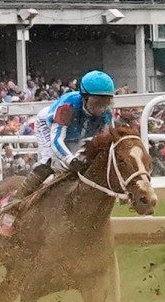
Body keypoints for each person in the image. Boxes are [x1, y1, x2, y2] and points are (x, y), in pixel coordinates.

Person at [10, 70, 118, 218]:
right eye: (96, 102)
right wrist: (70, 160)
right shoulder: (68, 106)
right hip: (49, 128)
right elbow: (56, 141)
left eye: (105, 102)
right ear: (84, 98)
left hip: (76, 134)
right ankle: (15, 202)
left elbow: (108, 141)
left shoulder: (106, 113)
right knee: (49, 162)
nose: (101, 108)